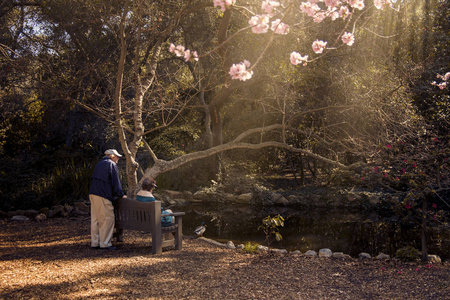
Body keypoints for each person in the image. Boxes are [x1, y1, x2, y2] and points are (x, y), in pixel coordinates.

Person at [89, 149, 125, 250]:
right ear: (112, 156)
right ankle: (105, 243)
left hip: (93, 193)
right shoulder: (111, 164)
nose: (118, 159)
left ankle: (95, 242)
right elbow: (115, 182)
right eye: (117, 156)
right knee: (107, 219)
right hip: (103, 195)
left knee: (95, 219)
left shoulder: (99, 164)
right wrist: (120, 194)